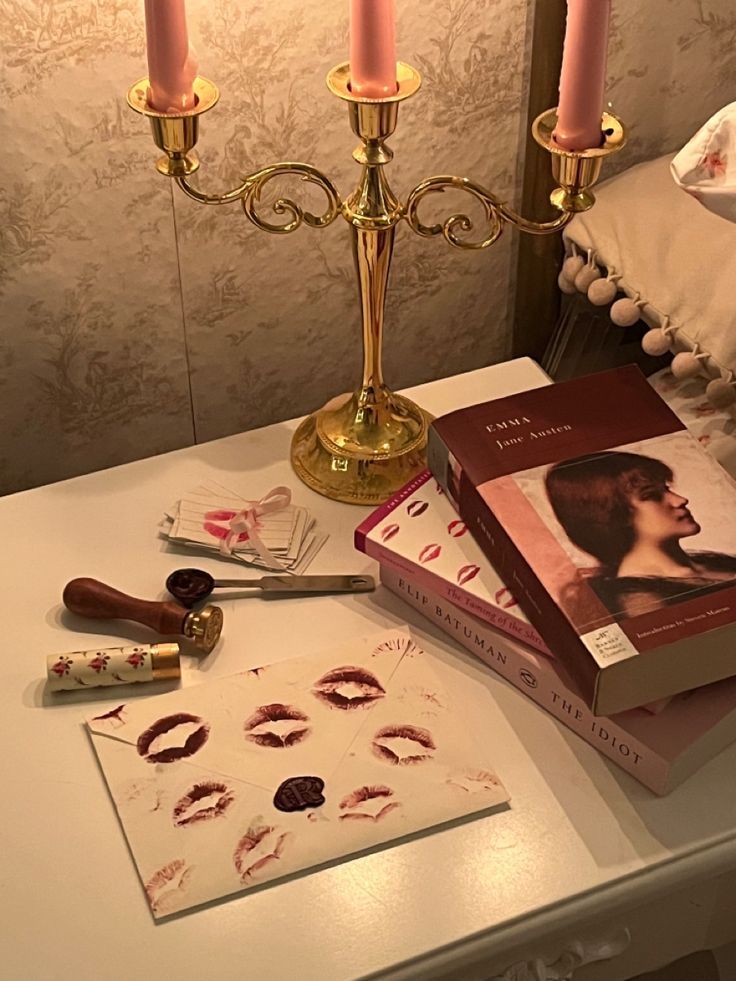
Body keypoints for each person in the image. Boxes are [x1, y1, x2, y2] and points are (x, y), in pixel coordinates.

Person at [544, 450, 736, 623]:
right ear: (612, 513)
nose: (680, 500)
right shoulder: (641, 603)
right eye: (651, 495)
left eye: (666, 489)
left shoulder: (710, 563)